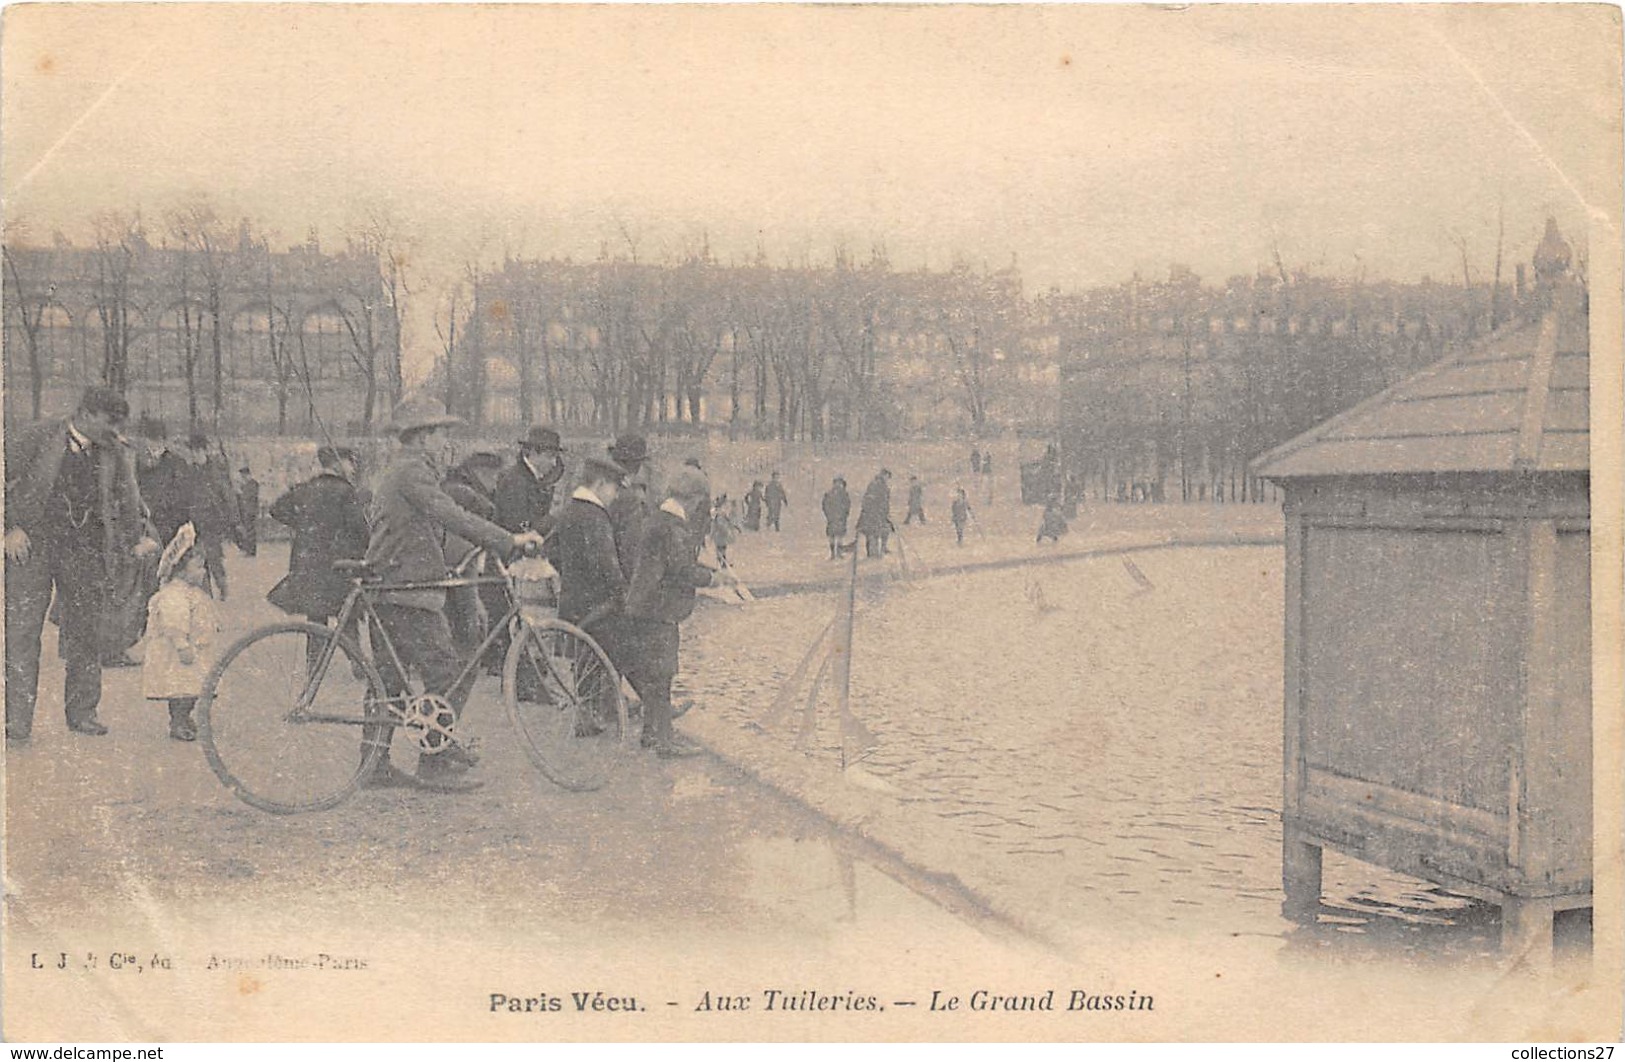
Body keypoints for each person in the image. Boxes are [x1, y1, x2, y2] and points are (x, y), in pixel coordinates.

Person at [359, 397, 544, 791]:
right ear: (424, 436)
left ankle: (374, 764)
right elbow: (450, 514)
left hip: (392, 586)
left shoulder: (403, 471)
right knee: (452, 669)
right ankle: (435, 759)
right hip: (407, 591)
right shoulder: (413, 472)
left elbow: (432, 528)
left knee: (388, 680)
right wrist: (508, 540)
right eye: (442, 433)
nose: (446, 441)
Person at [5, 386, 157, 741]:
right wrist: (9, 527)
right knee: (23, 632)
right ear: (86, 414)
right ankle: (16, 721)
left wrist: (137, 539)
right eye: (110, 422)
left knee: (87, 631)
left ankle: (83, 713)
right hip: (32, 546)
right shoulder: (37, 436)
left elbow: (128, 495)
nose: (116, 430)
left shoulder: (114, 450)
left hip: (85, 550)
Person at [621, 465, 738, 758]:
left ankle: (651, 734)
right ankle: (665, 741)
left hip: (644, 607)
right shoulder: (672, 526)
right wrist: (715, 579)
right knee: (662, 675)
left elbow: (673, 561)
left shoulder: (656, 520)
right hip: (659, 611)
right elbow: (681, 569)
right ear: (695, 498)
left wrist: (712, 571)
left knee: (653, 674)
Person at [267, 446, 371, 671]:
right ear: (337, 463)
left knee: (315, 617)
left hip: (309, 563)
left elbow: (276, 509)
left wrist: (304, 525)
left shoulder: (307, 488)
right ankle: (358, 664)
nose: (352, 468)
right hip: (337, 562)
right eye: (349, 462)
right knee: (348, 615)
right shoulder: (345, 491)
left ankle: (314, 666)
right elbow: (359, 529)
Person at [546, 454, 632, 687]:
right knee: (606, 663)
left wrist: (573, 574)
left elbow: (551, 549)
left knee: (584, 667)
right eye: (614, 488)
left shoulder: (569, 510)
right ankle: (603, 715)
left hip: (573, 601)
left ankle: (588, 719)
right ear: (601, 483)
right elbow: (608, 564)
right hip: (598, 606)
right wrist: (623, 593)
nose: (615, 496)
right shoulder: (596, 516)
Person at [142, 523, 219, 742]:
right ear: (181, 569)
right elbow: (174, 622)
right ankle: (178, 720)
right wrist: (181, 644)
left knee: (193, 688)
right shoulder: (174, 594)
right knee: (181, 689)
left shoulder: (191, 592)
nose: (203, 572)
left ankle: (184, 717)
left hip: (194, 649)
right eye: (198, 568)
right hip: (180, 652)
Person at [440, 451, 506, 660]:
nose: (496, 485)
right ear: (481, 473)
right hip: (460, 562)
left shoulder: (452, 487)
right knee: (468, 623)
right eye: (494, 477)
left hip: (453, 562)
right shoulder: (467, 495)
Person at [494, 425, 567, 535]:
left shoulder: (531, 479)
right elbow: (520, 528)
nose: (554, 463)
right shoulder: (515, 482)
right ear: (533, 453)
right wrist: (553, 516)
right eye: (550, 456)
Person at [606, 433, 653, 581]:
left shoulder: (603, 485)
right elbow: (630, 547)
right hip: (620, 572)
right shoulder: (628, 497)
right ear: (636, 464)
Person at [856, 469, 894, 559]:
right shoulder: (876, 485)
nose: (887, 479)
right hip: (874, 513)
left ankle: (880, 550)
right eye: (887, 477)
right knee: (873, 533)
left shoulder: (880, 485)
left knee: (882, 531)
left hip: (879, 513)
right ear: (883, 475)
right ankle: (874, 553)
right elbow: (871, 499)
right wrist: (877, 510)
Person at [820, 476, 850, 560]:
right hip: (834, 518)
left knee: (837, 535)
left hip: (838, 518)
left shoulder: (843, 494)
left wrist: (844, 514)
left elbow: (847, 505)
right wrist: (828, 514)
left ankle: (837, 553)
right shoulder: (830, 494)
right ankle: (834, 553)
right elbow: (825, 505)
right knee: (833, 536)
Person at [235, 465, 260, 557]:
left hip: (250, 511)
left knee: (250, 531)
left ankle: (251, 550)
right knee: (247, 530)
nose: (243, 477)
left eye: (244, 475)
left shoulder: (253, 484)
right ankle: (248, 549)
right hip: (246, 511)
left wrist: (240, 493)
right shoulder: (246, 485)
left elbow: (249, 497)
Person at [710, 497, 739, 568]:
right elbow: (721, 526)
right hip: (719, 536)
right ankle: (722, 563)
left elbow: (728, 523)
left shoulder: (723, 516)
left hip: (721, 536)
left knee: (723, 549)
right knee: (720, 550)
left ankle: (723, 562)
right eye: (723, 508)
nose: (725, 510)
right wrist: (727, 531)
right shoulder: (719, 517)